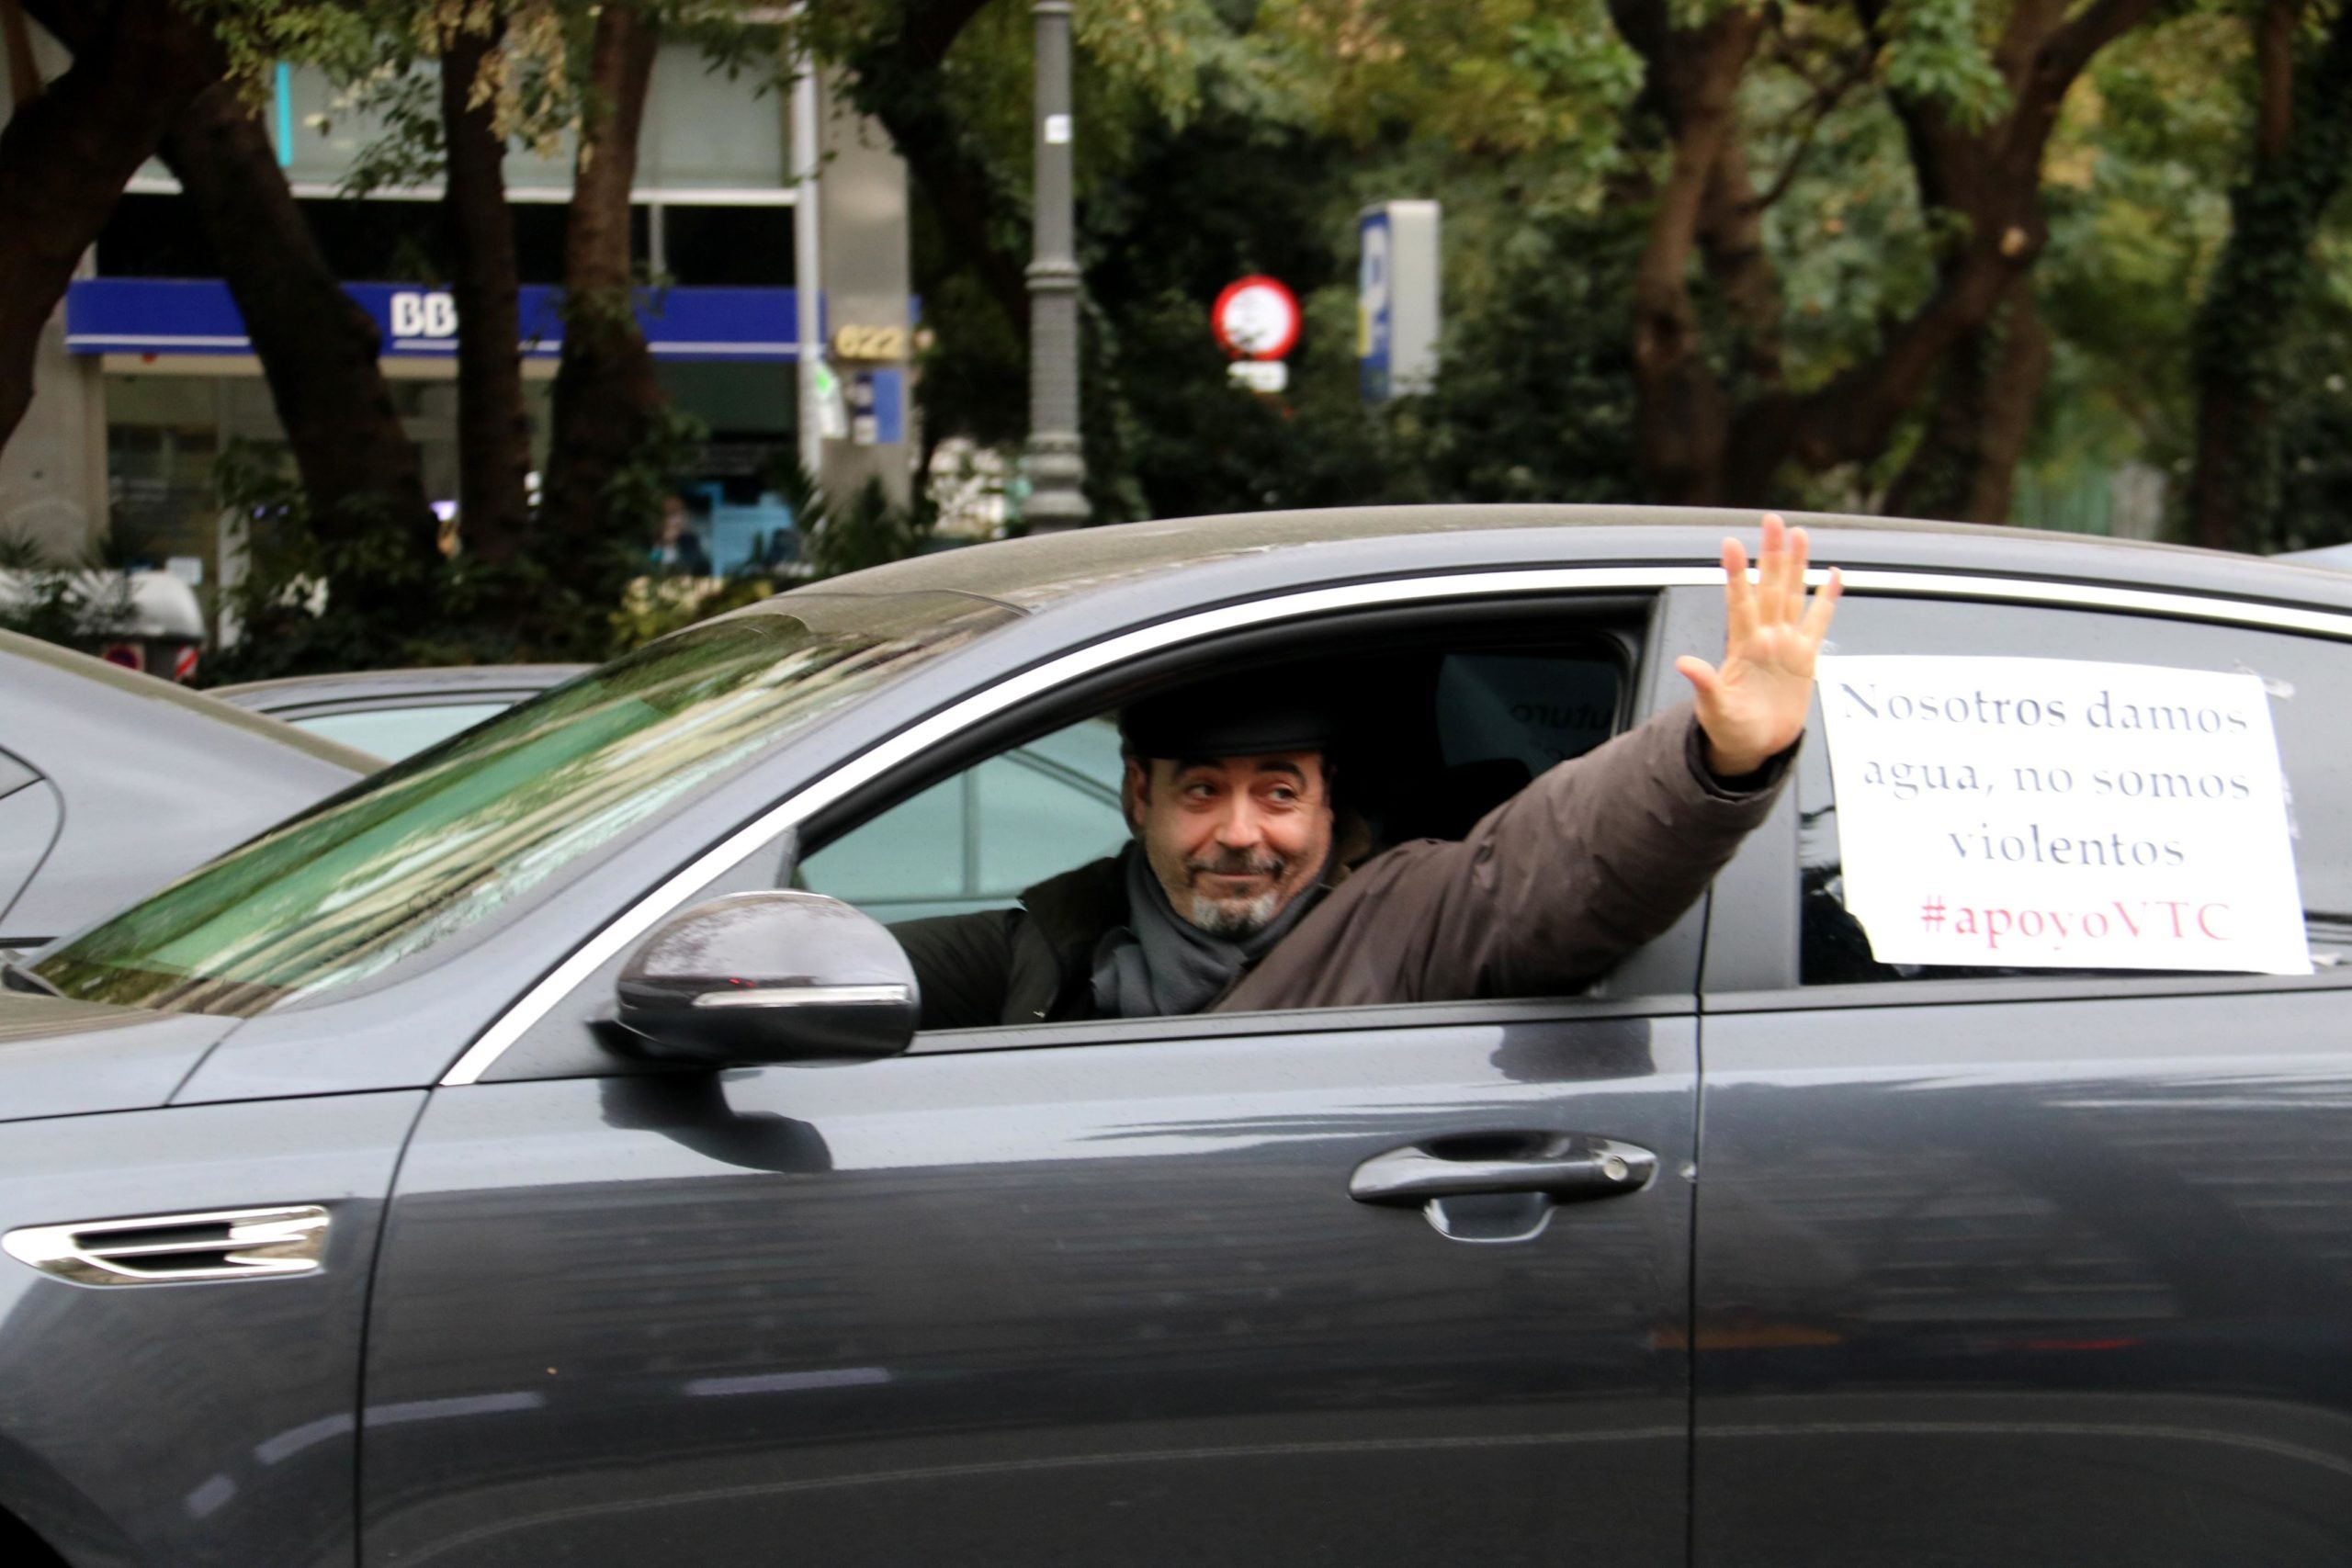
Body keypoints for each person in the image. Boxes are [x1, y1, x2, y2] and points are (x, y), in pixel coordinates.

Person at [894, 514, 1842, 1028]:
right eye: (1200, 791)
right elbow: (819, 969)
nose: (1238, 832)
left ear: (1326, 800)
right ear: (1137, 794)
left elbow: (1550, 866)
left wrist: (1715, 760)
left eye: (1277, 792)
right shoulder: (1042, 949)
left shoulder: (1402, 918)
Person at [650, 492, 713, 576]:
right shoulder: (654, 538)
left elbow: (701, 565)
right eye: (671, 514)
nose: (676, 520)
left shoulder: (690, 539)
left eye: (678, 513)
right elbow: (652, 560)